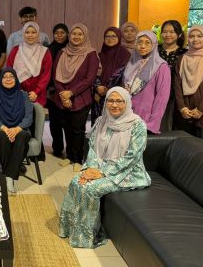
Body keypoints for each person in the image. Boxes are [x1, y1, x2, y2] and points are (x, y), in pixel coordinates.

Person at [59, 87, 151, 248]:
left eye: (119, 101)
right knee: (76, 182)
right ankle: (70, 229)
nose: (114, 105)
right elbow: (92, 149)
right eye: (110, 100)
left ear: (127, 102)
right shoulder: (101, 121)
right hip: (99, 168)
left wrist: (102, 172)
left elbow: (132, 157)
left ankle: (87, 237)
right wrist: (90, 170)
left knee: (90, 189)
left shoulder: (137, 125)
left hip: (127, 172)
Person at [50, 23, 98, 171]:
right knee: (66, 128)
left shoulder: (91, 54)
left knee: (77, 130)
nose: (76, 37)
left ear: (85, 36)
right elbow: (55, 75)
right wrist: (63, 95)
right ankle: (69, 156)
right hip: (61, 97)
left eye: (80, 34)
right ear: (69, 36)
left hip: (80, 98)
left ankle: (77, 159)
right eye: (73, 34)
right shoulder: (62, 52)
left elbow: (89, 79)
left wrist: (70, 93)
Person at [0, 68, 33, 194]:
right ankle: (10, 176)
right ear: (0, 80)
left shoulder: (24, 95)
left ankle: (9, 176)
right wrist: (5, 129)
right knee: (2, 137)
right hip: (0, 129)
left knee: (21, 137)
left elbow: (29, 118)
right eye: (4, 77)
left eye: (11, 76)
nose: (8, 79)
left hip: (20, 128)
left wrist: (17, 129)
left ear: (16, 79)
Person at [174, 25, 203, 144]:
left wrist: (201, 109)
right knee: (184, 149)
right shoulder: (183, 58)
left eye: (200, 36)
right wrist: (182, 107)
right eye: (192, 36)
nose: (195, 39)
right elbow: (177, 84)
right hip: (185, 114)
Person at [123, 31, 171, 134]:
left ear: (154, 45)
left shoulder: (161, 67)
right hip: (126, 114)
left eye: (147, 42)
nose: (142, 46)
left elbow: (162, 98)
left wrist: (153, 123)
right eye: (139, 42)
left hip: (145, 117)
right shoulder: (132, 63)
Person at [7, 22, 52, 107]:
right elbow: (9, 71)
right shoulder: (15, 50)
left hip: (37, 95)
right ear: (23, 34)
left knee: (36, 115)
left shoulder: (45, 52)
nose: (30, 35)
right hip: (17, 93)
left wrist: (36, 92)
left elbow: (46, 75)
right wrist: (18, 90)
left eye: (33, 32)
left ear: (38, 34)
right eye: (27, 32)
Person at [92, 27, 131, 123]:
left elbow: (121, 74)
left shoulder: (125, 54)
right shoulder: (100, 55)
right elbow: (93, 72)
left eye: (114, 36)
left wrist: (107, 89)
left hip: (116, 96)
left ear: (119, 38)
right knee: (99, 124)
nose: (110, 39)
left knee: (114, 125)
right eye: (107, 36)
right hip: (99, 97)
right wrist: (97, 87)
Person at [157, 20, 187, 131]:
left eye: (172, 32)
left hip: (176, 95)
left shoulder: (184, 53)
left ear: (179, 35)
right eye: (165, 32)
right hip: (156, 94)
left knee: (173, 126)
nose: (168, 35)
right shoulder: (154, 50)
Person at [46, 23, 69, 158]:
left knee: (67, 122)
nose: (59, 35)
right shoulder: (49, 49)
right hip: (52, 92)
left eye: (62, 33)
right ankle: (57, 148)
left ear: (67, 34)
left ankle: (70, 149)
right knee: (55, 122)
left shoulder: (71, 49)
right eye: (56, 33)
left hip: (68, 91)